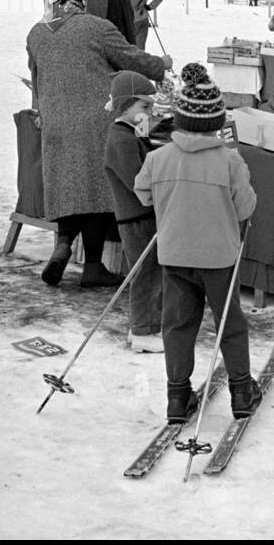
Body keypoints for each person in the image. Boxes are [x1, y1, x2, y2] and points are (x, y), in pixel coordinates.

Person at [134, 63, 261, 424]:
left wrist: (168, 199)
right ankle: (241, 390)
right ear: (217, 122)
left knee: (177, 324)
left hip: (174, 254)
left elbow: (142, 193)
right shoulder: (229, 160)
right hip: (219, 258)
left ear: (178, 120)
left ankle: (177, 398)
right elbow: (245, 206)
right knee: (228, 323)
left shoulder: (158, 158)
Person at [27, 0, 172, 288]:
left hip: (55, 126)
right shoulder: (96, 27)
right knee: (96, 191)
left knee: (70, 189)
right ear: (81, 2)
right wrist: (162, 65)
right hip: (95, 121)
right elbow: (131, 58)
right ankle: (93, 266)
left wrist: (42, 113)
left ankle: (63, 245)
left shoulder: (35, 34)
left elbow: (36, 80)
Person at [104, 71, 163, 353]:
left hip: (143, 216)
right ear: (125, 105)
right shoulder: (121, 139)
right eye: (144, 107)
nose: (150, 113)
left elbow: (147, 148)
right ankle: (141, 330)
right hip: (136, 216)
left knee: (152, 270)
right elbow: (137, 181)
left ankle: (146, 326)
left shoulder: (131, 131)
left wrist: (147, 123)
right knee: (146, 273)